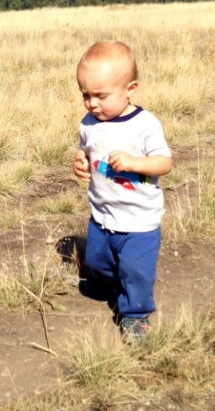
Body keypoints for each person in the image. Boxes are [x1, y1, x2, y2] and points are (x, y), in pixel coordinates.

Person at [72, 40, 173, 341]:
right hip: (102, 215)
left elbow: (164, 163)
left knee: (136, 272)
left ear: (131, 88)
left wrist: (135, 162)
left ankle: (136, 315)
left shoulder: (145, 125)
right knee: (96, 263)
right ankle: (108, 285)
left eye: (101, 96)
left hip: (138, 222)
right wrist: (80, 161)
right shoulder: (89, 123)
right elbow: (85, 151)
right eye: (85, 95)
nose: (92, 104)